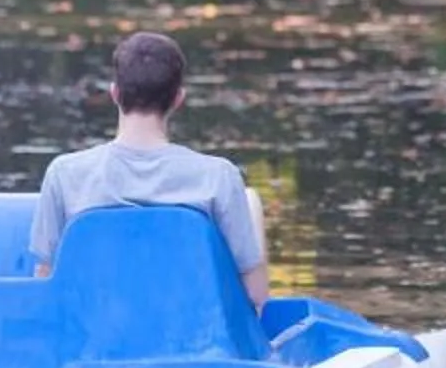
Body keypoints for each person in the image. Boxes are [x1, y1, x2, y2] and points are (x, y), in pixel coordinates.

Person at [29, 30, 268, 304]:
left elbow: (46, 283)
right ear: (178, 99)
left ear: (115, 93)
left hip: (93, 342)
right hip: (192, 341)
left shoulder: (65, 175)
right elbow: (255, 294)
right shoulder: (218, 178)